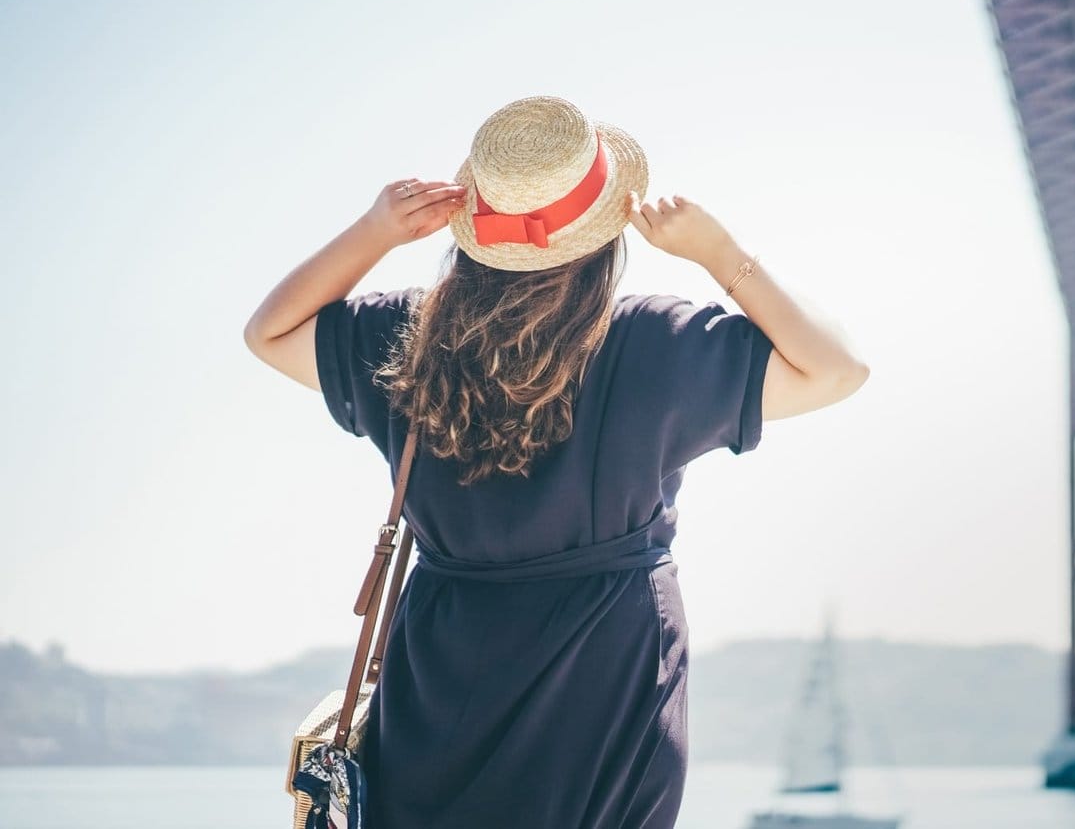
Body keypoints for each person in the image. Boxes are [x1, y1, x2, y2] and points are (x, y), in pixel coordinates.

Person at [242, 96, 870, 828]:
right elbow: (837, 370)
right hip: (607, 677)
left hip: (443, 675)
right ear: (605, 236)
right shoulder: (653, 344)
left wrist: (374, 232)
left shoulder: (403, 338)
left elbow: (271, 332)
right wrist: (717, 251)